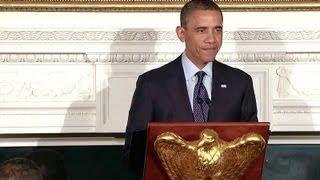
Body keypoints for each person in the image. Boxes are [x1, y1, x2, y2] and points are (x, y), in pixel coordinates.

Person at [123, 0, 258, 178]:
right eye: (202, 30)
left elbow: (253, 148)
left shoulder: (240, 82)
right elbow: (134, 154)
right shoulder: (151, 84)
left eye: (217, 29)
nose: (212, 39)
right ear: (181, 33)